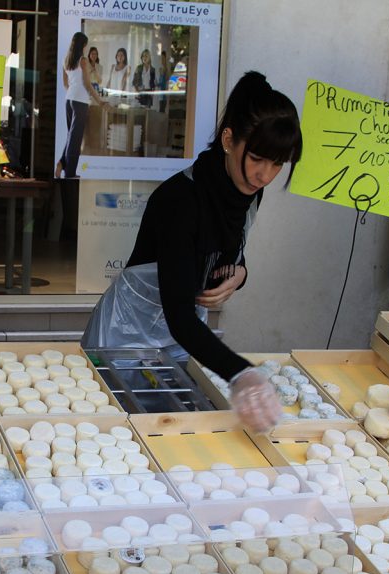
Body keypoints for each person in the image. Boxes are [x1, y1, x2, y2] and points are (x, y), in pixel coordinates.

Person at [81, 72, 302, 432]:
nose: (265, 175)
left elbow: (229, 249)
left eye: (278, 164)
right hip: (126, 338)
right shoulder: (180, 202)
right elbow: (179, 316)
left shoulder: (245, 191)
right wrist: (241, 373)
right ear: (229, 140)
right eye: (259, 159)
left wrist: (241, 273)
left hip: (180, 343)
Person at [55, 32, 104, 179]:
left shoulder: (66, 60)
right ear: (83, 45)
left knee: (71, 136)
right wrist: (100, 101)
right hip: (80, 101)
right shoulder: (83, 61)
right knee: (75, 139)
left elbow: (65, 83)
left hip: (69, 100)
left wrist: (72, 91)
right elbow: (88, 85)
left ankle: (62, 163)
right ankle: (70, 173)